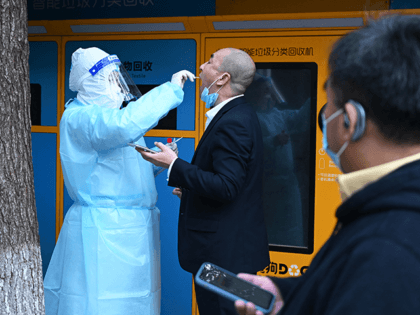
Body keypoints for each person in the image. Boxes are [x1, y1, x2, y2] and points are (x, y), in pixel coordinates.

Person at [234, 14, 420, 315]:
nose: (324, 119)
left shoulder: (386, 250)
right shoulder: (386, 213)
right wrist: (290, 294)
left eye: (329, 105)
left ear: (350, 121)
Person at [43, 47, 195, 315]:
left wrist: (157, 164)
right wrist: (170, 90)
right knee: (101, 304)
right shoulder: (83, 118)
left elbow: (117, 171)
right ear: (93, 81)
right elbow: (125, 125)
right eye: (112, 79)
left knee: (135, 303)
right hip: (104, 231)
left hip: (129, 228)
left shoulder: (104, 119)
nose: (118, 87)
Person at [139, 48, 270, 315]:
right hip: (230, 253)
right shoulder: (239, 115)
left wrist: (173, 164)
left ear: (222, 78)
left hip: (223, 258)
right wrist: (190, 192)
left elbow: (226, 186)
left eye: (209, 62)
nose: (201, 66)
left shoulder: (234, 122)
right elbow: (234, 185)